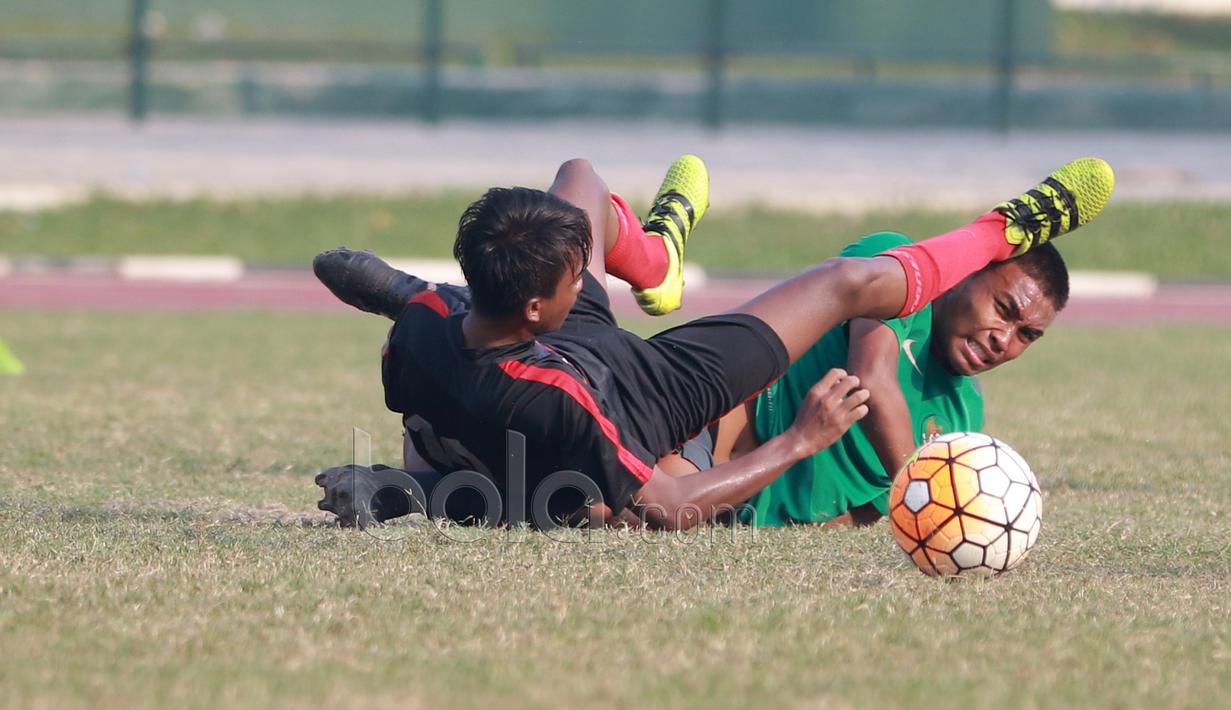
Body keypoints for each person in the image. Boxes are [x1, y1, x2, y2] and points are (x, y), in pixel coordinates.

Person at [314, 154, 1114, 531]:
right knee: (845, 279)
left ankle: (656, 255)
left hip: (559, 352)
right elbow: (662, 505)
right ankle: (1001, 226)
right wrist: (801, 441)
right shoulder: (565, 403)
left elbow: (362, 279)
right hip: (656, 388)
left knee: (579, 179)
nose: (1007, 337)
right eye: (575, 268)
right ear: (538, 302)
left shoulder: (427, 319)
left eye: (1027, 335)